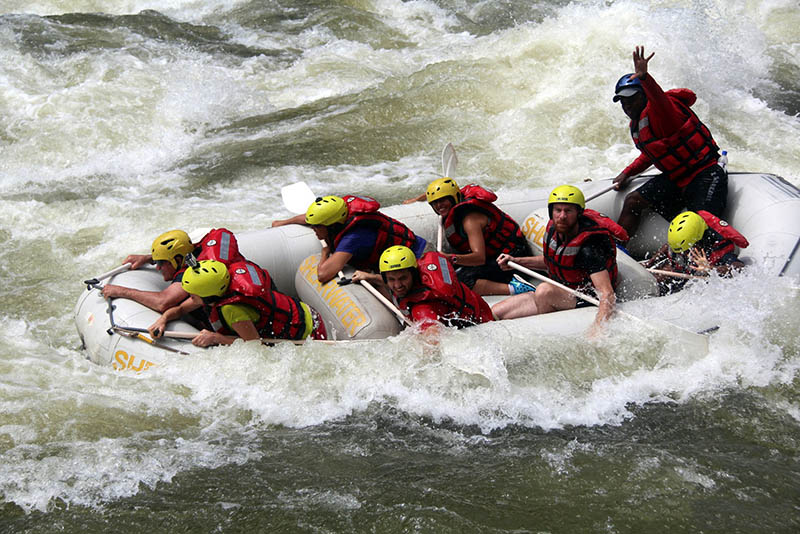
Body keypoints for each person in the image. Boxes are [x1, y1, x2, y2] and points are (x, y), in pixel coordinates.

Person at [611, 46, 727, 240]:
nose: (627, 105)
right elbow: (653, 153)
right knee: (633, 201)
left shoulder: (663, 112)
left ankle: (714, 261)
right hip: (677, 177)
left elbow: (659, 99)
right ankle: (617, 250)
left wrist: (645, 78)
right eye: (623, 101)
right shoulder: (638, 123)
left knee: (698, 226)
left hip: (704, 174)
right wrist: (627, 173)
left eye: (632, 99)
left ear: (644, 95)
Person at [491, 185, 627, 330]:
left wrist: (599, 327)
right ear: (551, 212)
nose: (562, 216)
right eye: (558, 210)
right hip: (562, 290)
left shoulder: (589, 247)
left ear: (579, 213)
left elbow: (607, 293)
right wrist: (516, 261)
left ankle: (546, 331)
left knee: (544, 291)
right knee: (495, 312)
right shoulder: (554, 231)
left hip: (584, 298)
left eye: (568, 211)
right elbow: (551, 261)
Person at [149, 259, 327, 347]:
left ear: (209, 297)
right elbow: (180, 309)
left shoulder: (231, 310)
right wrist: (163, 319)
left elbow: (254, 346)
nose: (191, 299)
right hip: (304, 311)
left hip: (311, 330)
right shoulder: (219, 290)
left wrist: (216, 338)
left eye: (193, 296)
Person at [276, 195, 427, 284]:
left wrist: (325, 251)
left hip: (418, 259)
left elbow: (323, 275)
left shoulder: (354, 237)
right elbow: (309, 219)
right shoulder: (340, 213)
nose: (313, 229)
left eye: (317, 227)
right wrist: (283, 223)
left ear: (331, 226)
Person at [425, 177, 534, 296]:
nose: (439, 205)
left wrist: (451, 258)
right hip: (496, 257)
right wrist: (416, 199)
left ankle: (516, 288)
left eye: (442, 200)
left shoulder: (470, 220)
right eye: (434, 202)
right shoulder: (456, 209)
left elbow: (479, 258)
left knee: (460, 280)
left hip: (512, 260)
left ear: (453, 197)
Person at [101, 228, 246, 313]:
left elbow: (163, 302)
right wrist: (148, 258)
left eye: (161, 262)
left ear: (177, 261)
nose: (157, 268)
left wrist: (122, 292)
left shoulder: (196, 273)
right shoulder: (198, 252)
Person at [355, 245, 494, 332]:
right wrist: (370, 277)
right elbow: (396, 281)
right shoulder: (422, 277)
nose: (397, 285)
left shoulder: (422, 308)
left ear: (413, 275)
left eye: (403, 278)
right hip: (480, 308)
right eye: (391, 279)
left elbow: (432, 337)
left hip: (481, 325)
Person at [644, 210, 748, 294]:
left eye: (685, 251)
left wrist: (710, 268)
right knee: (661, 275)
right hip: (682, 271)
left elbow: (738, 267)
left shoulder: (718, 247)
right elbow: (668, 246)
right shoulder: (682, 244)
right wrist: (651, 262)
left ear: (699, 241)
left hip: (698, 281)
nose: (682, 254)